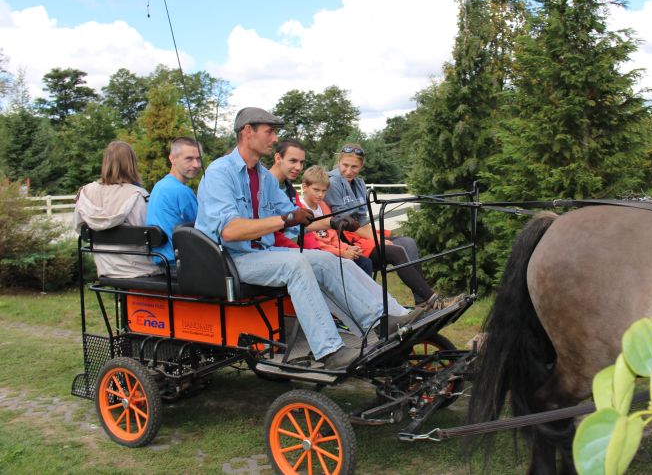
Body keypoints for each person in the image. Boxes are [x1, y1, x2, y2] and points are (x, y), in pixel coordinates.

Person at [195, 107, 410, 370]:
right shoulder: (219, 173)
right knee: (296, 265)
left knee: (325, 259)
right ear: (248, 132)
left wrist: (332, 221)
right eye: (269, 132)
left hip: (262, 253)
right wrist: (285, 219)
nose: (275, 138)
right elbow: (230, 230)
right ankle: (329, 350)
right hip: (230, 259)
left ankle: (381, 321)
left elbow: (295, 217)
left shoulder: (263, 177)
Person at [325, 143, 459, 310]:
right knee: (396, 251)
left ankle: (422, 301)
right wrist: (378, 239)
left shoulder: (358, 184)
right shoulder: (333, 183)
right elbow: (346, 223)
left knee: (408, 242)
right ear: (339, 161)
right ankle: (433, 300)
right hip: (345, 237)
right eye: (345, 165)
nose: (349, 171)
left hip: (362, 233)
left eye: (354, 167)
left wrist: (377, 237)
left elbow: (362, 219)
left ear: (361, 166)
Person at [74, 141, 162, 279]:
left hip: (105, 266)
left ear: (105, 162)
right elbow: (147, 235)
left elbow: (79, 228)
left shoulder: (86, 192)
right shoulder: (138, 195)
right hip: (140, 267)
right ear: (132, 164)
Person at [297, 165, 373, 275]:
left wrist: (347, 247)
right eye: (316, 190)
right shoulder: (300, 209)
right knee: (353, 265)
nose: (320, 194)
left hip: (333, 251)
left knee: (365, 262)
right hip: (317, 253)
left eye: (324, 191)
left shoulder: (324, 206)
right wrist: (342, 253)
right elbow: (314, 243)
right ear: (305, 187)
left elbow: (333, 236)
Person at [146, 137, 202, 265]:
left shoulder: (159, 185)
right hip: (180, 263)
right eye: (189, 159)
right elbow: (203, 229)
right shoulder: (181, 191)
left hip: (160, 260)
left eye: (198, 159)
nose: (196, 165)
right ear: (172, 159)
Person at [268, 139, 320, 249]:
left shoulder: (291, 190)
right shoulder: (262, 186)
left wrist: (316, 249)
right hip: (276, 252)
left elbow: (304, 223)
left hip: (295, 250)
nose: (298, 167)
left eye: (301, 162)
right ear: (278, 158)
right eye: (293, 161)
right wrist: (301, 254)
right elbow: (270, 232)